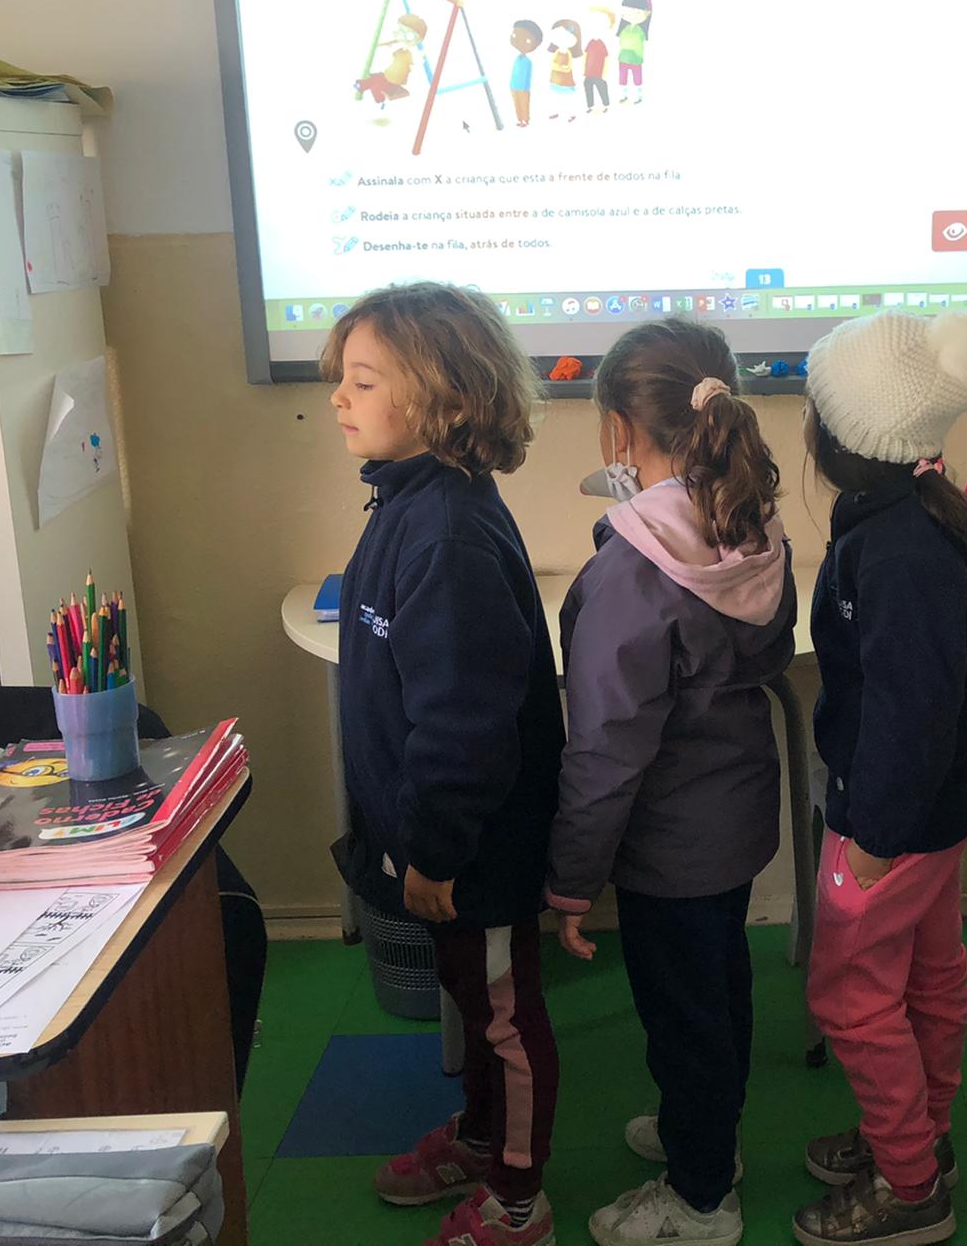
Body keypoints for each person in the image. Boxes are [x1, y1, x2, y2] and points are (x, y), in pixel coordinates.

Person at [325, 283, 565, 1246]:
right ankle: (480, 1139)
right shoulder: (406, 501)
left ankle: (519, 1203)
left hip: (474, 851)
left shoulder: (449, 535)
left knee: (503, 1017)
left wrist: (435, 851)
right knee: (472, 999)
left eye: (363, 380)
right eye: (342, 379)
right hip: (441, 845)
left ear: (444, 397)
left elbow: (464, 727)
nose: (338, 398)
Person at [546, 319, 795, 1246]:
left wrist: (572, 879)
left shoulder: (632, 572)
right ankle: (709, 1131)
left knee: (683, 1016)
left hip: (667, 845)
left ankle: (701, 1197)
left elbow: (604, 749)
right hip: (732, 822)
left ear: (618, 430)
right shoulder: (750, 524)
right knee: (718, 988)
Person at [791, 309, 967, 1246]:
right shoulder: (909, 516)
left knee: (849, 995)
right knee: (928, 973)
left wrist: (872, 840)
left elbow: (911, 712)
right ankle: (920, 1138)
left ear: (844, 437)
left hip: (892, 824)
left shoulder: (900, 552)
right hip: (928, 817)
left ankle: (910, 1184)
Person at [510, 20, 543, 126]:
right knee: (517, 103)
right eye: (514, 35)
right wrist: (511, 84)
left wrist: (524, 87)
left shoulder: (528, 61)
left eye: (527, 40)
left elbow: (527, 76)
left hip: (523, 88)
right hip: (514, 86)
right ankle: (519, 119)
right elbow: (514, 72)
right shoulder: (517, 58)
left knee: (524, 104)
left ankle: (525, 120)